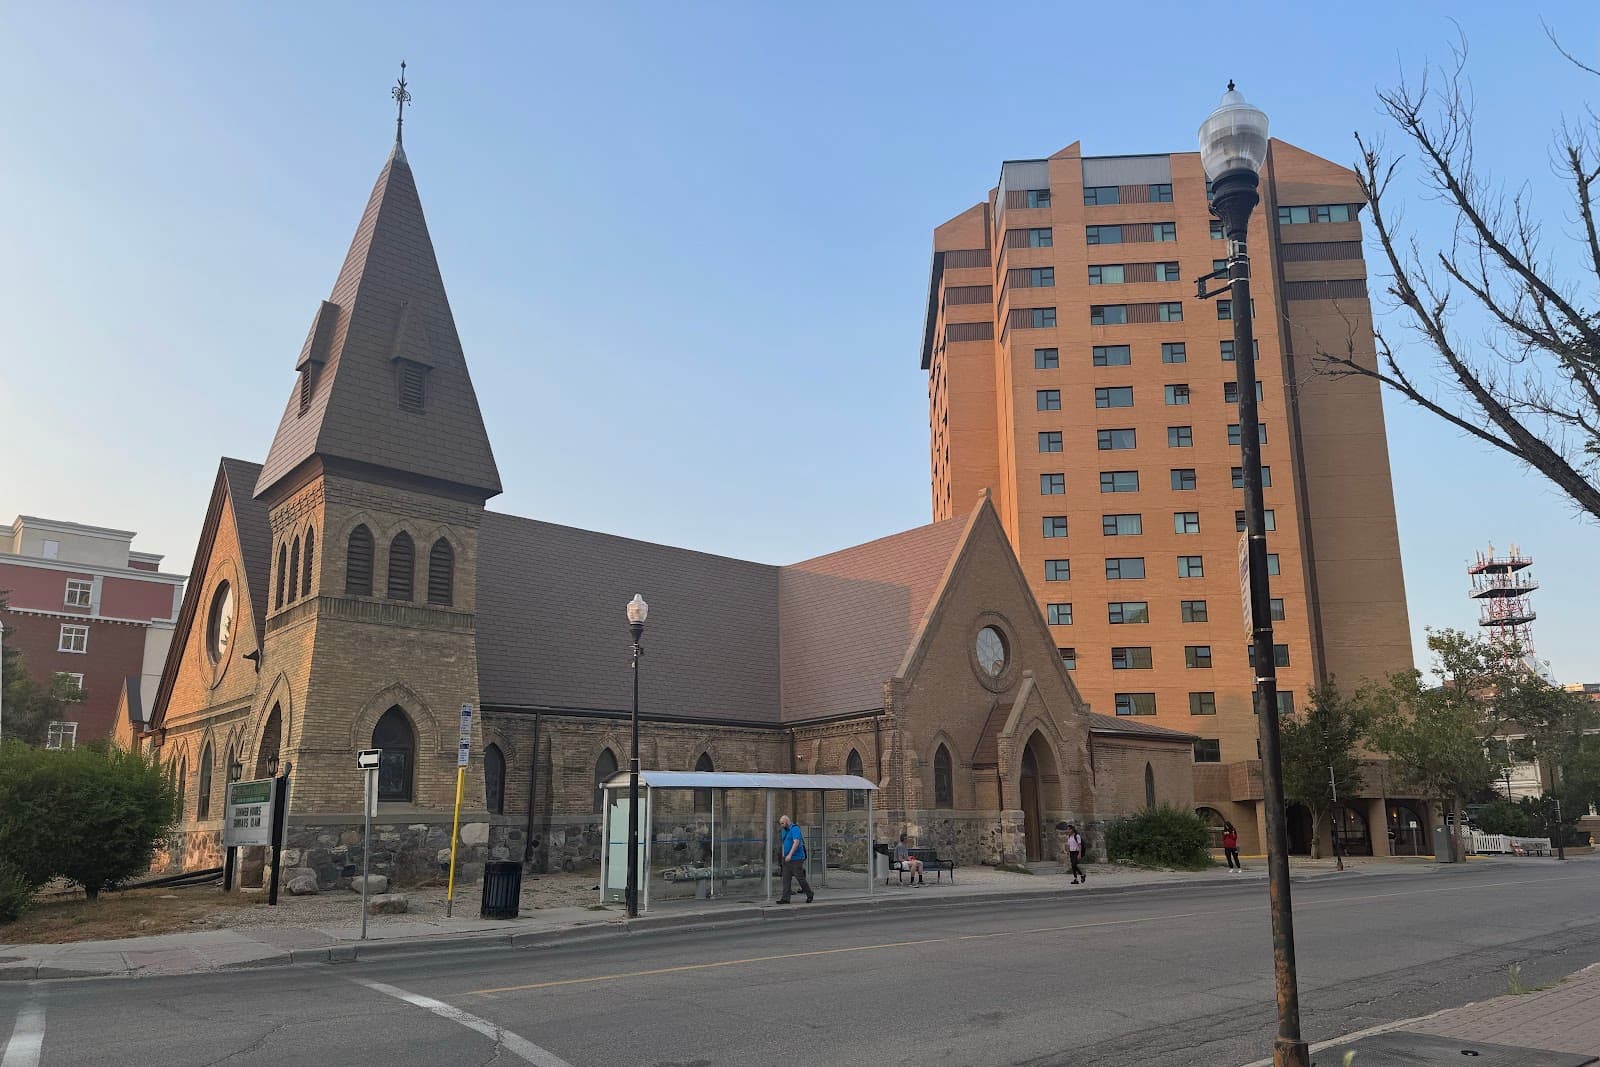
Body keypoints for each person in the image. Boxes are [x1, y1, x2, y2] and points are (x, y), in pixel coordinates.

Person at [776, 815, 813, 904]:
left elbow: (796, 842)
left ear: (787, 821)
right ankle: (785, 898)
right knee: (786, 878)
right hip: (786, 859)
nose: (781, 825)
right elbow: (784, 843)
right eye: (780, 823)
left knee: (800, 878)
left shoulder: (795, 829)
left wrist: (790, 854)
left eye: (782, 823)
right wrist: (784, 856)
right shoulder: (784, 831)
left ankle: (809, 894)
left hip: (796, 858)